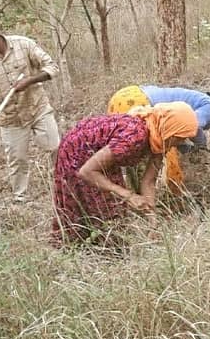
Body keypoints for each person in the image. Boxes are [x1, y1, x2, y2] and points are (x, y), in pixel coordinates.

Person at [51, 101, 198, 246]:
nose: (181, 142)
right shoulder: (135, 136)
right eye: (180, 136)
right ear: (170, 127)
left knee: (113, 212)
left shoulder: (160, 139)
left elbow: (149, 181)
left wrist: (153, 221)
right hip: (79, 154)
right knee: (101, 214)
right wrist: (128, 195)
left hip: (100, 159)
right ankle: (88, 253)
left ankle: (104, 249)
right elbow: (86, 171)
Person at [0, 14, 60, 203]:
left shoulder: (23, 44)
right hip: (10, 116)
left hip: (37, 106)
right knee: (17, 159)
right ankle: (20, 197)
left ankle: (63, 184)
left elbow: (52, 67)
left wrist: (30, 80)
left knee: (55, 147)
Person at [106, 85, 210, 193]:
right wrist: (201, 147)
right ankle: (148, 202)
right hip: (140, 104)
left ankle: (131, 196)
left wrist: (186, 149)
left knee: (127, 158)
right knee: (145, 164)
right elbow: (191, 126)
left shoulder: (195, 97)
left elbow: (177, 131)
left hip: (123, 97)